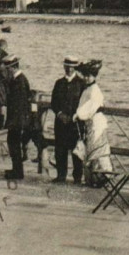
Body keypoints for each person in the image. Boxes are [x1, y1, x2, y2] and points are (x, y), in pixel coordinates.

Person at [72, 60, 113, 185]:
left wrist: (78, 114)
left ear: (94, 76)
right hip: (89, 123)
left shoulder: (95, 90)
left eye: (88, 76)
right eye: (85, 75)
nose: (86, 78)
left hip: (96, 124)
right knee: (91, 150)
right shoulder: (87, 89)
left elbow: (90, 108)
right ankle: (92, 178)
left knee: (97, 151)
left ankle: (100, 178)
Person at [50, 56, 85, 184]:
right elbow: (53, 102)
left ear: (75, 68)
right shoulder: (59, 83)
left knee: (76, 150)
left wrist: (75, 116)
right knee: (60, 149)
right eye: (67, 66)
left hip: (75, 123)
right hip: (60, 122)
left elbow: (84, 103)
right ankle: (61, 175)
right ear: (64, 67)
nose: (69, 69)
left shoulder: (81, 83)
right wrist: (59, 114)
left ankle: (77, 177)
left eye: (72, 67)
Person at [2, 55, 32, 180]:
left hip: (17, 120)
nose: (6, 71)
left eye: (8, 69)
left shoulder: (19, 81)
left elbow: (18, 104)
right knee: (13, 143)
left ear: (13, 68)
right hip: (18, 119)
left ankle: (17, 171)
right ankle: (16, 169)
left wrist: (13, 122)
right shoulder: (19, 79)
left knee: (13, 143)